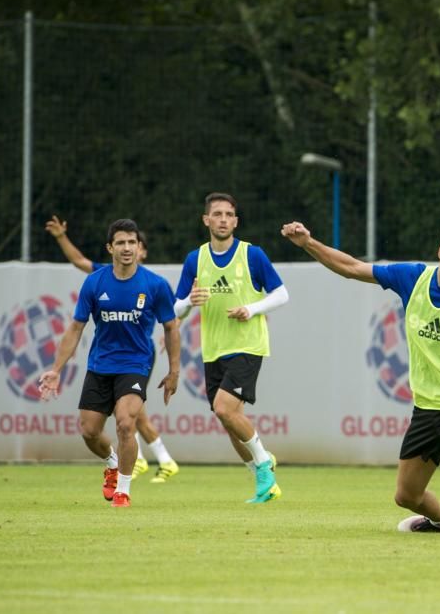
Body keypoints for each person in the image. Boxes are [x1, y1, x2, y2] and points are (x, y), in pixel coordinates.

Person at [281, 219, 440, 543]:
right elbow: (351, 268)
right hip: (428, 406)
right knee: (406, 496)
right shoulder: (411, 278)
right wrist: (308, 244)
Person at [38, 219, 181, 508]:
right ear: (110, 248)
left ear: (139, 247)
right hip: (101, 364)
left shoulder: (155, 285)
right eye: (121, 243)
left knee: (127, 423)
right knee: (89, 431)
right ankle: (112, 463)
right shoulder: (95, 281)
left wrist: (174, 371)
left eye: (132, 242)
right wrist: (55, 369)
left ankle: (123, 491)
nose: (127, 248)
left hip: (136, 363)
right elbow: (76, 328)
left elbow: (171, 327)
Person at [173, 193, 288, 503]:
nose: (223, 219)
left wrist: (251, 309)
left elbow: (282, 294)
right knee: (228, 420)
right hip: (213, 350)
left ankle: (264, 464)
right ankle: (264, 481)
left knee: (224, 408)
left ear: (236, 221)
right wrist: (188, 303)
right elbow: (176, 309)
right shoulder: (195, 259)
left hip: (248, 345)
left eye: (228, 214)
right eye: (217, 214)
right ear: (206, 220)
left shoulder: (252, 255)